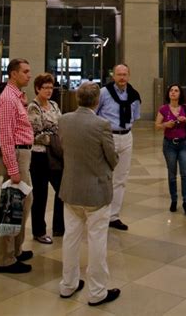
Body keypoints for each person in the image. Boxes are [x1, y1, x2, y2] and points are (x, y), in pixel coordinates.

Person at [58, 81, 120, 307]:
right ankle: (97, 292)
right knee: (97, 240)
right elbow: (112, 158)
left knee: (71, 238)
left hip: (71, 188)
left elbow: (62, 148)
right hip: (96, 191)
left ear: (77, 98)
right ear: (97, 101)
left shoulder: (63, 120)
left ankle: (68, 284)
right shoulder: (102, 124)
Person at [0, 58, 34, 274]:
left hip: (23, 154)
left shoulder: (17, 96)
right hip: (16, 155)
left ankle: (16, 249)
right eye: (25, 72)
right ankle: (5, 259)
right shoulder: (8, 99)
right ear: (13, 74)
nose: (29, 75)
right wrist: (13, 169)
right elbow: (6, 137)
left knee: (25, 202)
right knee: (12, 207)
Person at [96, 64, 141, 230]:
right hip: (108, 136)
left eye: (125, 74)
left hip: (126, 136)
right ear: (113, 76)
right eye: (119, 74)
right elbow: (94, 113)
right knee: (103, 176)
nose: (122, 77)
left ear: (129, 76)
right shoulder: (103, 93)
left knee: (121, 178)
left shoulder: (134, 95)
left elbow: (135, 117)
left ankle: (113, 216)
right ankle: (99, 213)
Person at [27, 73, 64, 244]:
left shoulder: (54, 105)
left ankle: (59, 227)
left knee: (62, 190)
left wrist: (53, 134)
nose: (49, 90)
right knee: (40, 194)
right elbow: (35, 134)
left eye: (51, 87)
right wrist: (54, 135)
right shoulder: (33, 107)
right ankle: (39, 231)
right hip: (39, 156)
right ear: (37, 88)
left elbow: (61, 126)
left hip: (55, 155)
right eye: (45, 87)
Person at [155, 83, 186, 215]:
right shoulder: (164, 109)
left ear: (180, 94)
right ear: (168, 94)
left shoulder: (185, 107)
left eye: (176, 90)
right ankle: (173, 200)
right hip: (169, 145)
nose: (173, 92)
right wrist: (165, 124)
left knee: (185, 174)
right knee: (172, 175)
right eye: (171, 90)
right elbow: (156, 125)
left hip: (184, 144)